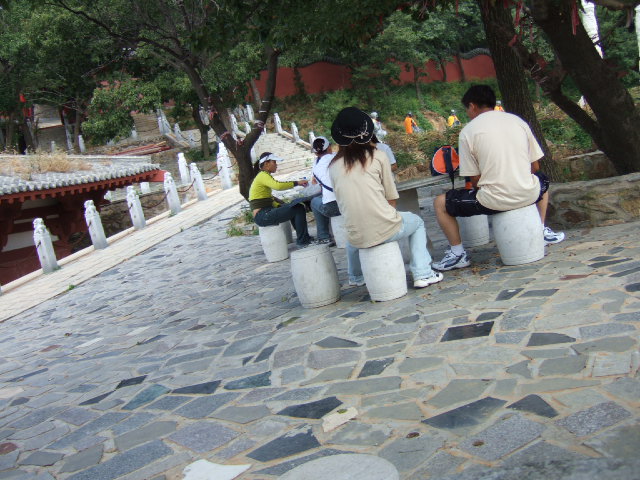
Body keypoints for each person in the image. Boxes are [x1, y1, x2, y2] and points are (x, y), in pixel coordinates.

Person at [432, 85, 565, 271]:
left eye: (467, 109)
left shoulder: (468, 132)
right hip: (529, 193)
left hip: (493, 201)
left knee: (440, 203)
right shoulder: (518, 121)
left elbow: (475, 181)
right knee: (543, 180)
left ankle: (457, 253)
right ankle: (541, 229)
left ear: (472, 106)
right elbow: (535, 167)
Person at [329, 107, 443, 289]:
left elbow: (343, 202)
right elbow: (391, 199)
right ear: (367, 132)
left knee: (355, 233)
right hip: (383, 227)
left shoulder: (333, 166)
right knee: (417, 222)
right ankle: (423, 273)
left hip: (355, 233)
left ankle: (356, 277)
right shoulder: (378, 156)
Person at [249, 152, 313, 248]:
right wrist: (297, 183)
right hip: (262, 215)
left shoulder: (263, 175)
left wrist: (282, 205)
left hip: (265, 213)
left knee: (294, 207)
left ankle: (303, 238)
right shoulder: (262, 175)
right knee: (298, 209)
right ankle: (303, 241)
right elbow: (278, 186)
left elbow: (269, 199)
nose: (276, 165)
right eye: (274, 162)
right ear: (266, 163)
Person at [310, 136, 339, 246]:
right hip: (349, 202)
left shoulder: (316, 167)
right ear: (329, 147)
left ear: (316, 153)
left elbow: (315, 183)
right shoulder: (339, 157)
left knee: (314, 201)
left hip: (333, 208)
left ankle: (324, 237)